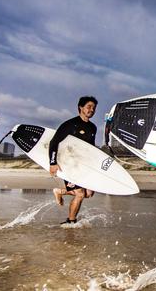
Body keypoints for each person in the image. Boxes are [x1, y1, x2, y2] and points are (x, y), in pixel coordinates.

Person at [49, 96, 98, 224]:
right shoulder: (70, 124)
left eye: (93, 108)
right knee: (80, 194)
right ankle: (71, 222)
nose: (91, 110)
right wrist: (53, 163)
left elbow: (90, 148)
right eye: (88, 107)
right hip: (68, 163)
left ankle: (60, 191)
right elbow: (54, 142)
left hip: (82, 164)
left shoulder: (93, 127)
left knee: (89, 193)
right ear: (80, 107)